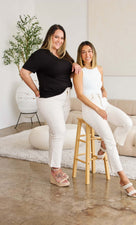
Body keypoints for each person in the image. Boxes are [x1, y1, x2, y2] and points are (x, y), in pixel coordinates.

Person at [73, 41, 136, 197]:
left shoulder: (99, 69)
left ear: (94, 53)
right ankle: (123, 178)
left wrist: (104, 90)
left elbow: (100, 86)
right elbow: (80, 95)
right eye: (84, 52)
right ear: (80, 55)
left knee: (127, 122)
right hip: (90, 108)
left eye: (90, 51)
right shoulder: (78, 71)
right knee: (110, 138)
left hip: (103, 103)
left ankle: (102, 145)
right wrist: (97, 109)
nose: (87, 54)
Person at [20, 24, 81, 187]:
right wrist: (35, 90)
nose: (59, 41)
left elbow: (70, 68)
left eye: (62, 38)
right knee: (59, 132)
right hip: (49, 100)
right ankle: (55, 170)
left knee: (55, 133)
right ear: (49, 37)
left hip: (65, 98)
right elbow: (24, 72)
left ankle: (54, 170)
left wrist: (75, 65)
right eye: (56, 37)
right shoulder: (41, 54)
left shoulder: (64, 54)